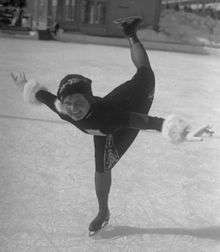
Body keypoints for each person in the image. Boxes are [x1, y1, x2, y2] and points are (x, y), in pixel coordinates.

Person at [11, 16, 214, 235]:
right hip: (105, 123)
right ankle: (103, 212)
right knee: (102, 167)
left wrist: (181, 131)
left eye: (78, 102)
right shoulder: (65, 111)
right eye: (69, 104)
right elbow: (45, 96)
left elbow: (146, 121)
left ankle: (130, 32)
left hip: (136, 98)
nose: (74, 109)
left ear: (89, 99)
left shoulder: (109, 116)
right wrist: (26, 86)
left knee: (145, 71)